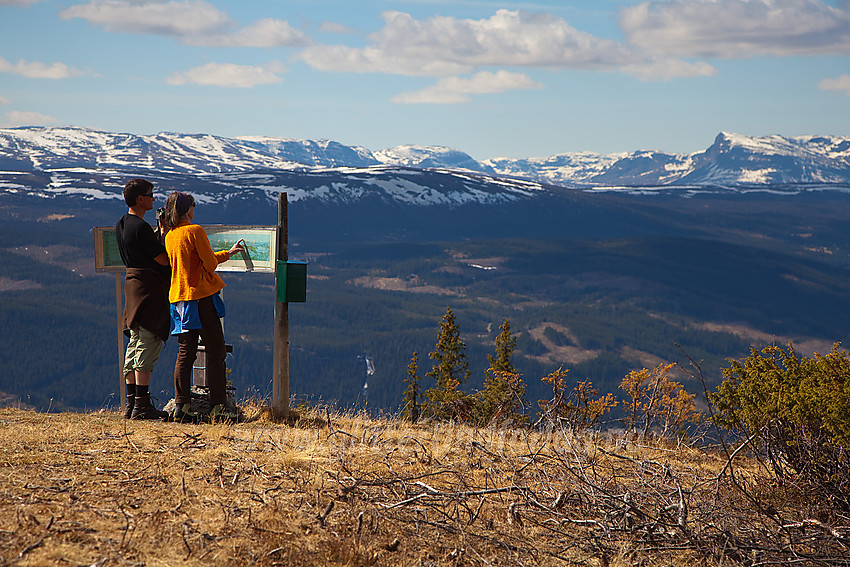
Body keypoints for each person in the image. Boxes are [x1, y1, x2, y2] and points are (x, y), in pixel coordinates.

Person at [163, 191, 244, 423]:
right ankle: (218, 405)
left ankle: (182, 405)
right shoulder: (194, 231)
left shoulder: (170, 235)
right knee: (216, 350)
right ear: (188, 209)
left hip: (179, 299)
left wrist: (226, 253)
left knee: (185, 353)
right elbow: (208, 264)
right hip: (200, 298)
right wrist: (224, 255)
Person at [115, 178, 170, 420]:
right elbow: (162, 260)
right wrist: (166, 236)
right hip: (149, 290)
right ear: (140, 199)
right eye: (150, 195)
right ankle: (142, 405)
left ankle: (131, 403)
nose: (153, 198)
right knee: (148, 340)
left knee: (135, 342)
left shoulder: (122, 224)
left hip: (132, 287)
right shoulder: (141, 228)